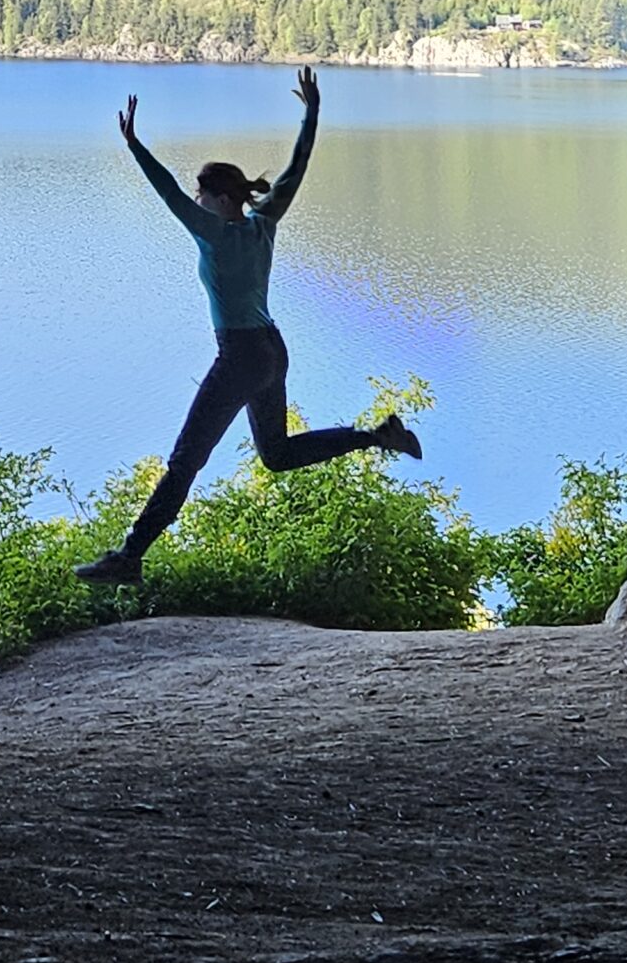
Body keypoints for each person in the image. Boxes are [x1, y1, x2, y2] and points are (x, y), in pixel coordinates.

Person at [75, 66, 422, 586]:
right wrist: (313, 114)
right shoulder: (264, 224)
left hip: (239, 356)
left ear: (217, 198)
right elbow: (294, 170)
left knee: (184, 461)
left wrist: (134, 145)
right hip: (271, 352)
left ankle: (128, 557)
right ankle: (375, 437)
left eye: (201, 194)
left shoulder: (213, 233)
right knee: (277, 455)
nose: (194, 200)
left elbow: (167, 191)